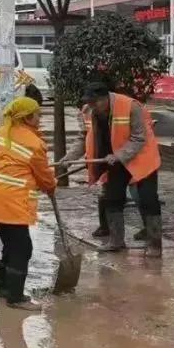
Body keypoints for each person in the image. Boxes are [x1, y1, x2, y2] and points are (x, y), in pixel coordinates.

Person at [60, 83, 163, 256]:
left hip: (142, 157)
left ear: (105, 99)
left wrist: (119, 155)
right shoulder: (88, 111)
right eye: (89, 102)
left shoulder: (130, 106)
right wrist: (70, 158)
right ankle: (116, 241)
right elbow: (84, 137)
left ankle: (155, 244)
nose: (91, 106)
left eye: (95, 103)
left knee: (148, 199)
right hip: (115, 160)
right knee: (112, 198)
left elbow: (139, 138)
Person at [0, 96, 56, 312]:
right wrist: (52, 186)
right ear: (27, 117)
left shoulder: (2, 132)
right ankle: (16, 298)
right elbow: (44, 177)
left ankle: (4, 289)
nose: (40, 118)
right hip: (12, 201)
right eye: (37, 114)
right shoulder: (34, 144)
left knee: (10, 245)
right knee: (23, 248)